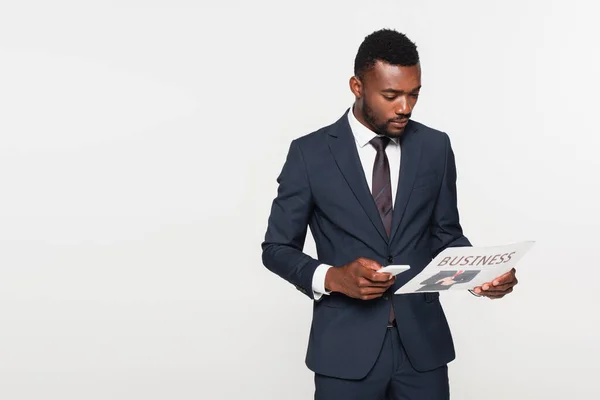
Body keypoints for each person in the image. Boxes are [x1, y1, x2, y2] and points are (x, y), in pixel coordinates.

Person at [261, 28, 518, 400]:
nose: (405, 107)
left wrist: (482, 275)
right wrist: (332, 277)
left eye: (414, 94)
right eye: (391, 95)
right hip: (344, 351)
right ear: (357, 86)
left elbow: (445, 234)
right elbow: (276, 247)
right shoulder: (309, 154)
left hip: (423, 350)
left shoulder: (435, 146)